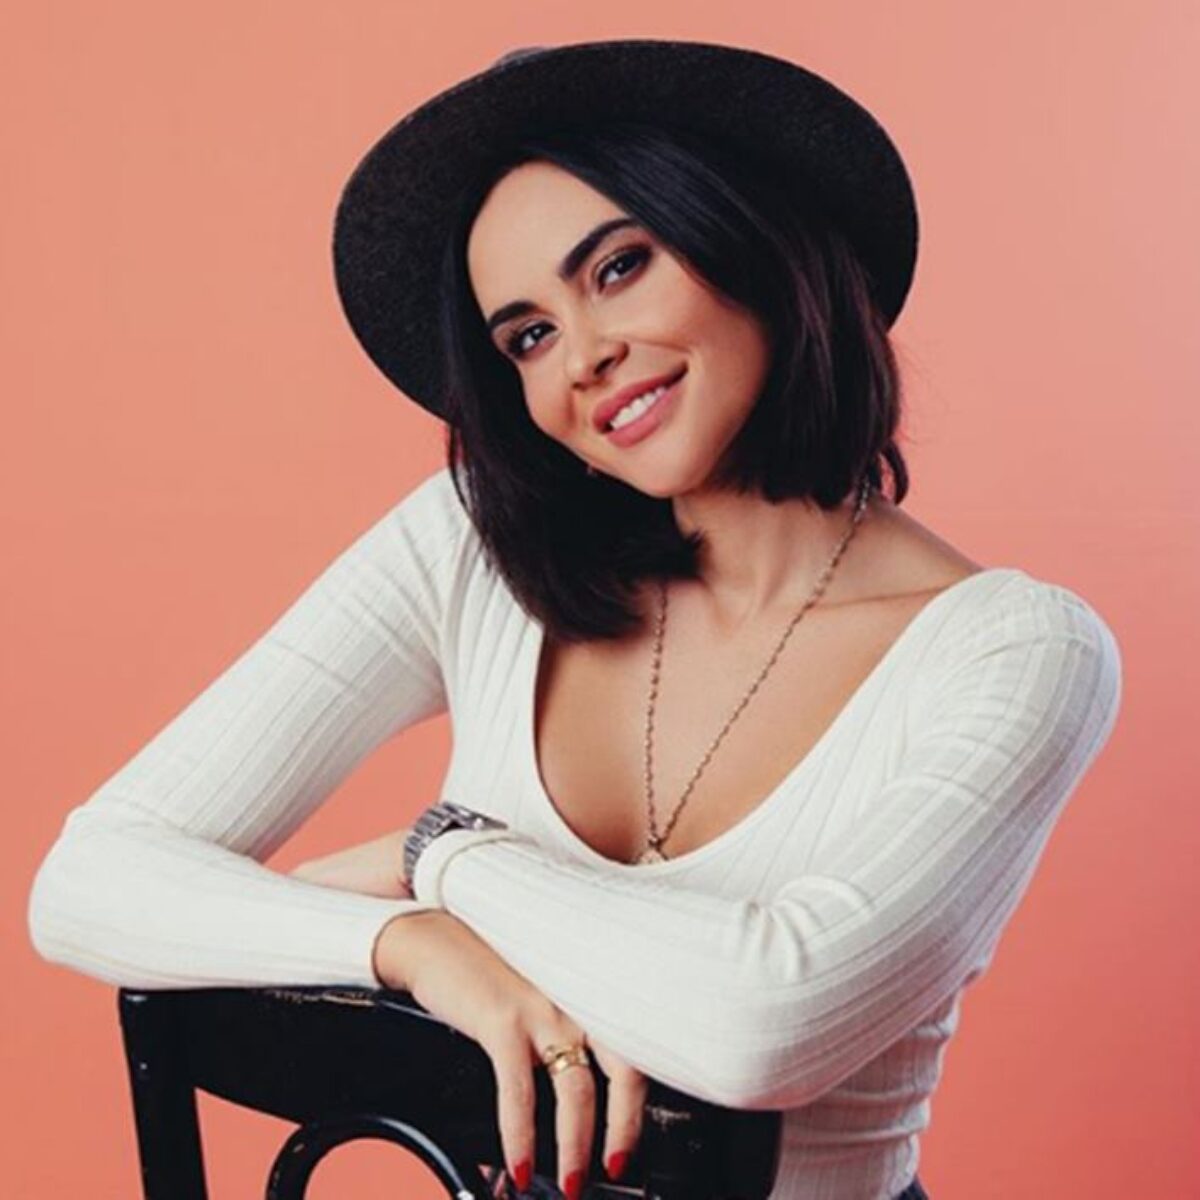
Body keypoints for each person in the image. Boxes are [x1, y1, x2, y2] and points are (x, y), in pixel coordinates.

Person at [27, 39, 1122, 1200]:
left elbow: (761, 1028)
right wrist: (407, 943)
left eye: (619, 267)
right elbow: (89, 880)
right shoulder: (472, 545)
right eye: (529, 336)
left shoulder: (1017, 651)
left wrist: (440, 857)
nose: (586, 358)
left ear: (751, 241)